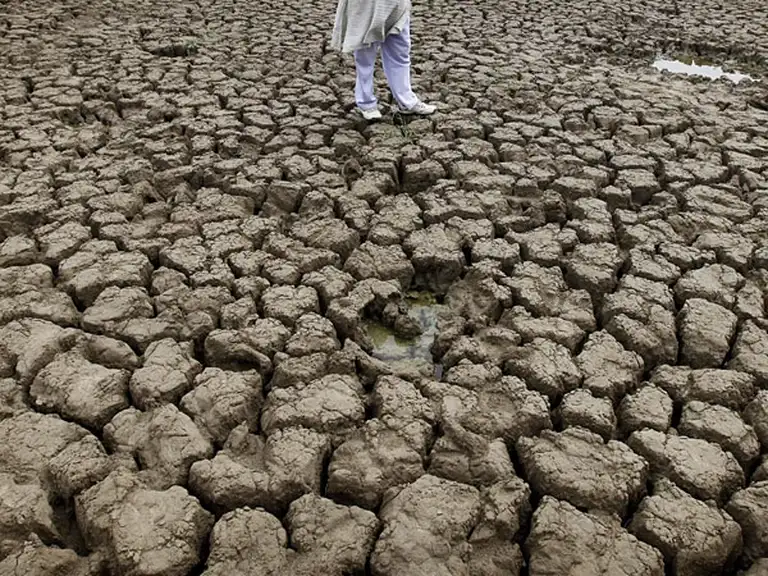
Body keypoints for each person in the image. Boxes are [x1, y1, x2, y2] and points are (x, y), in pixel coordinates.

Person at [331, 0, 436, 121]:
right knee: (365, 57)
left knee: (400, 53)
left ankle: (407, 102)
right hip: (366, 7)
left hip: (396, 5)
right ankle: (366, 104)